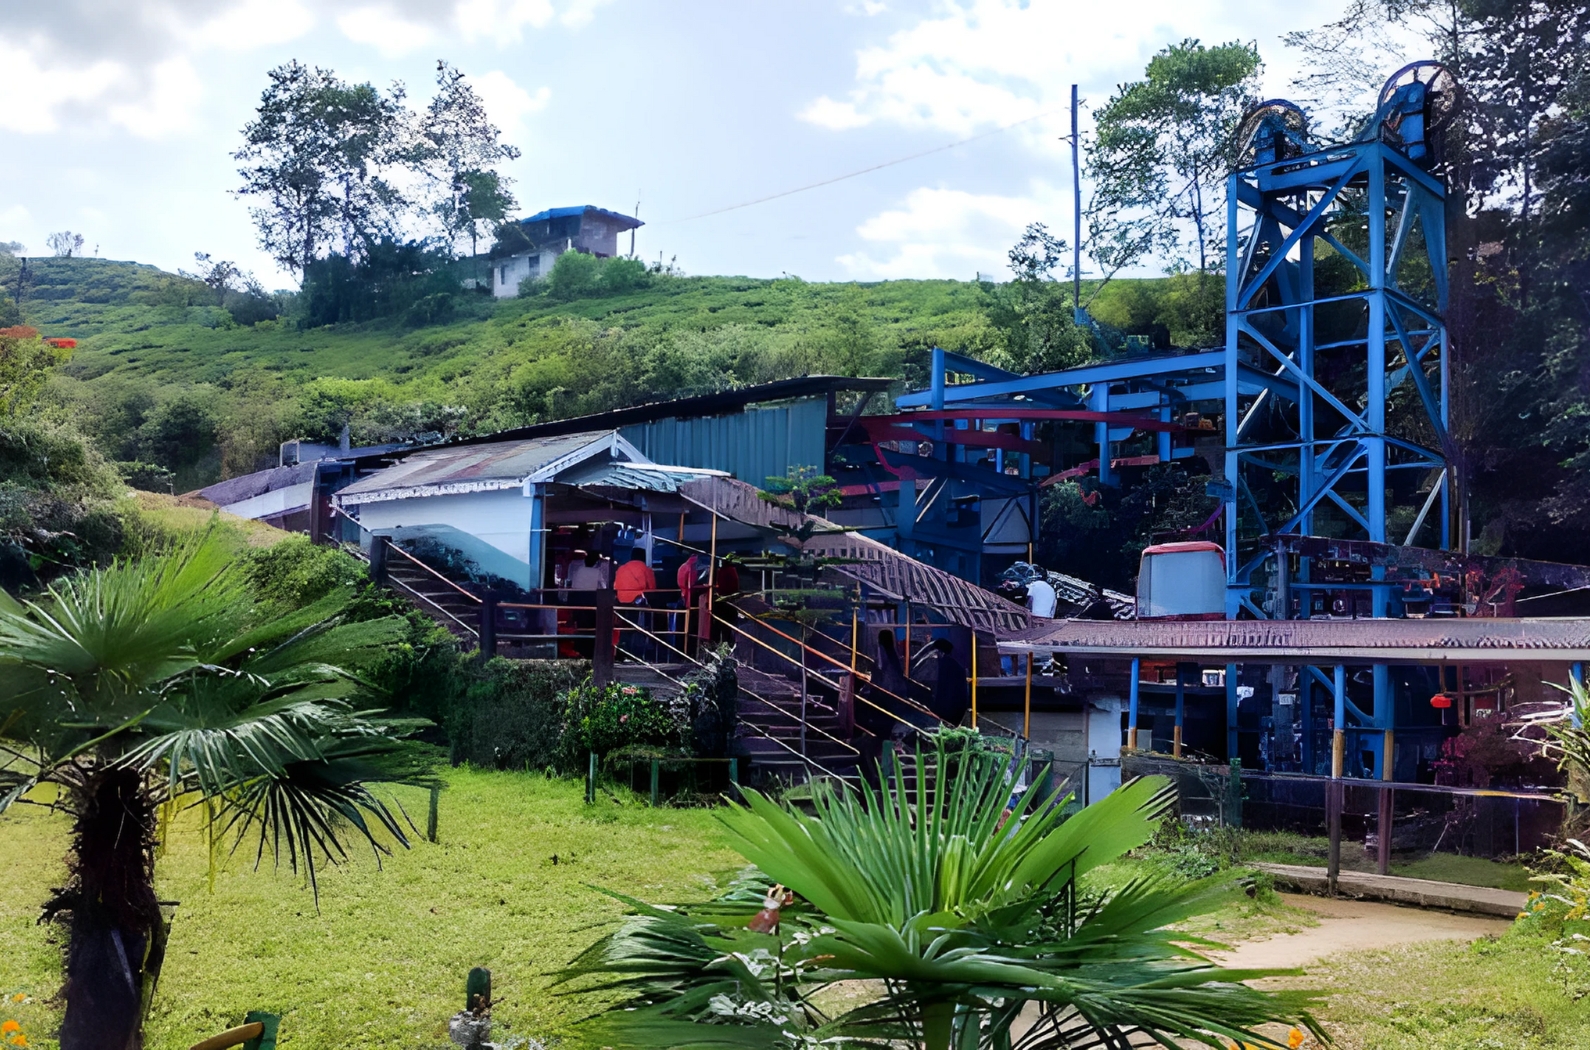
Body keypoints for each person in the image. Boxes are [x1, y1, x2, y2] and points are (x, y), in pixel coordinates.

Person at [614, 549, 657, 659]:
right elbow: (652, 588)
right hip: (637, 602)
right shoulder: (646, 569)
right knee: (638, 626)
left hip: (620, 602)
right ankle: (636, 652)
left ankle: (621, 649)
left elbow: (615, 586)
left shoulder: (621, 568)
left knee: (622, 628)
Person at [928, 637, 970, 726]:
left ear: (939, 651)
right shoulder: (955, 664)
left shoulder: (944, 665)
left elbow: (943, 688)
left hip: (947, 707)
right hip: (956, 707)